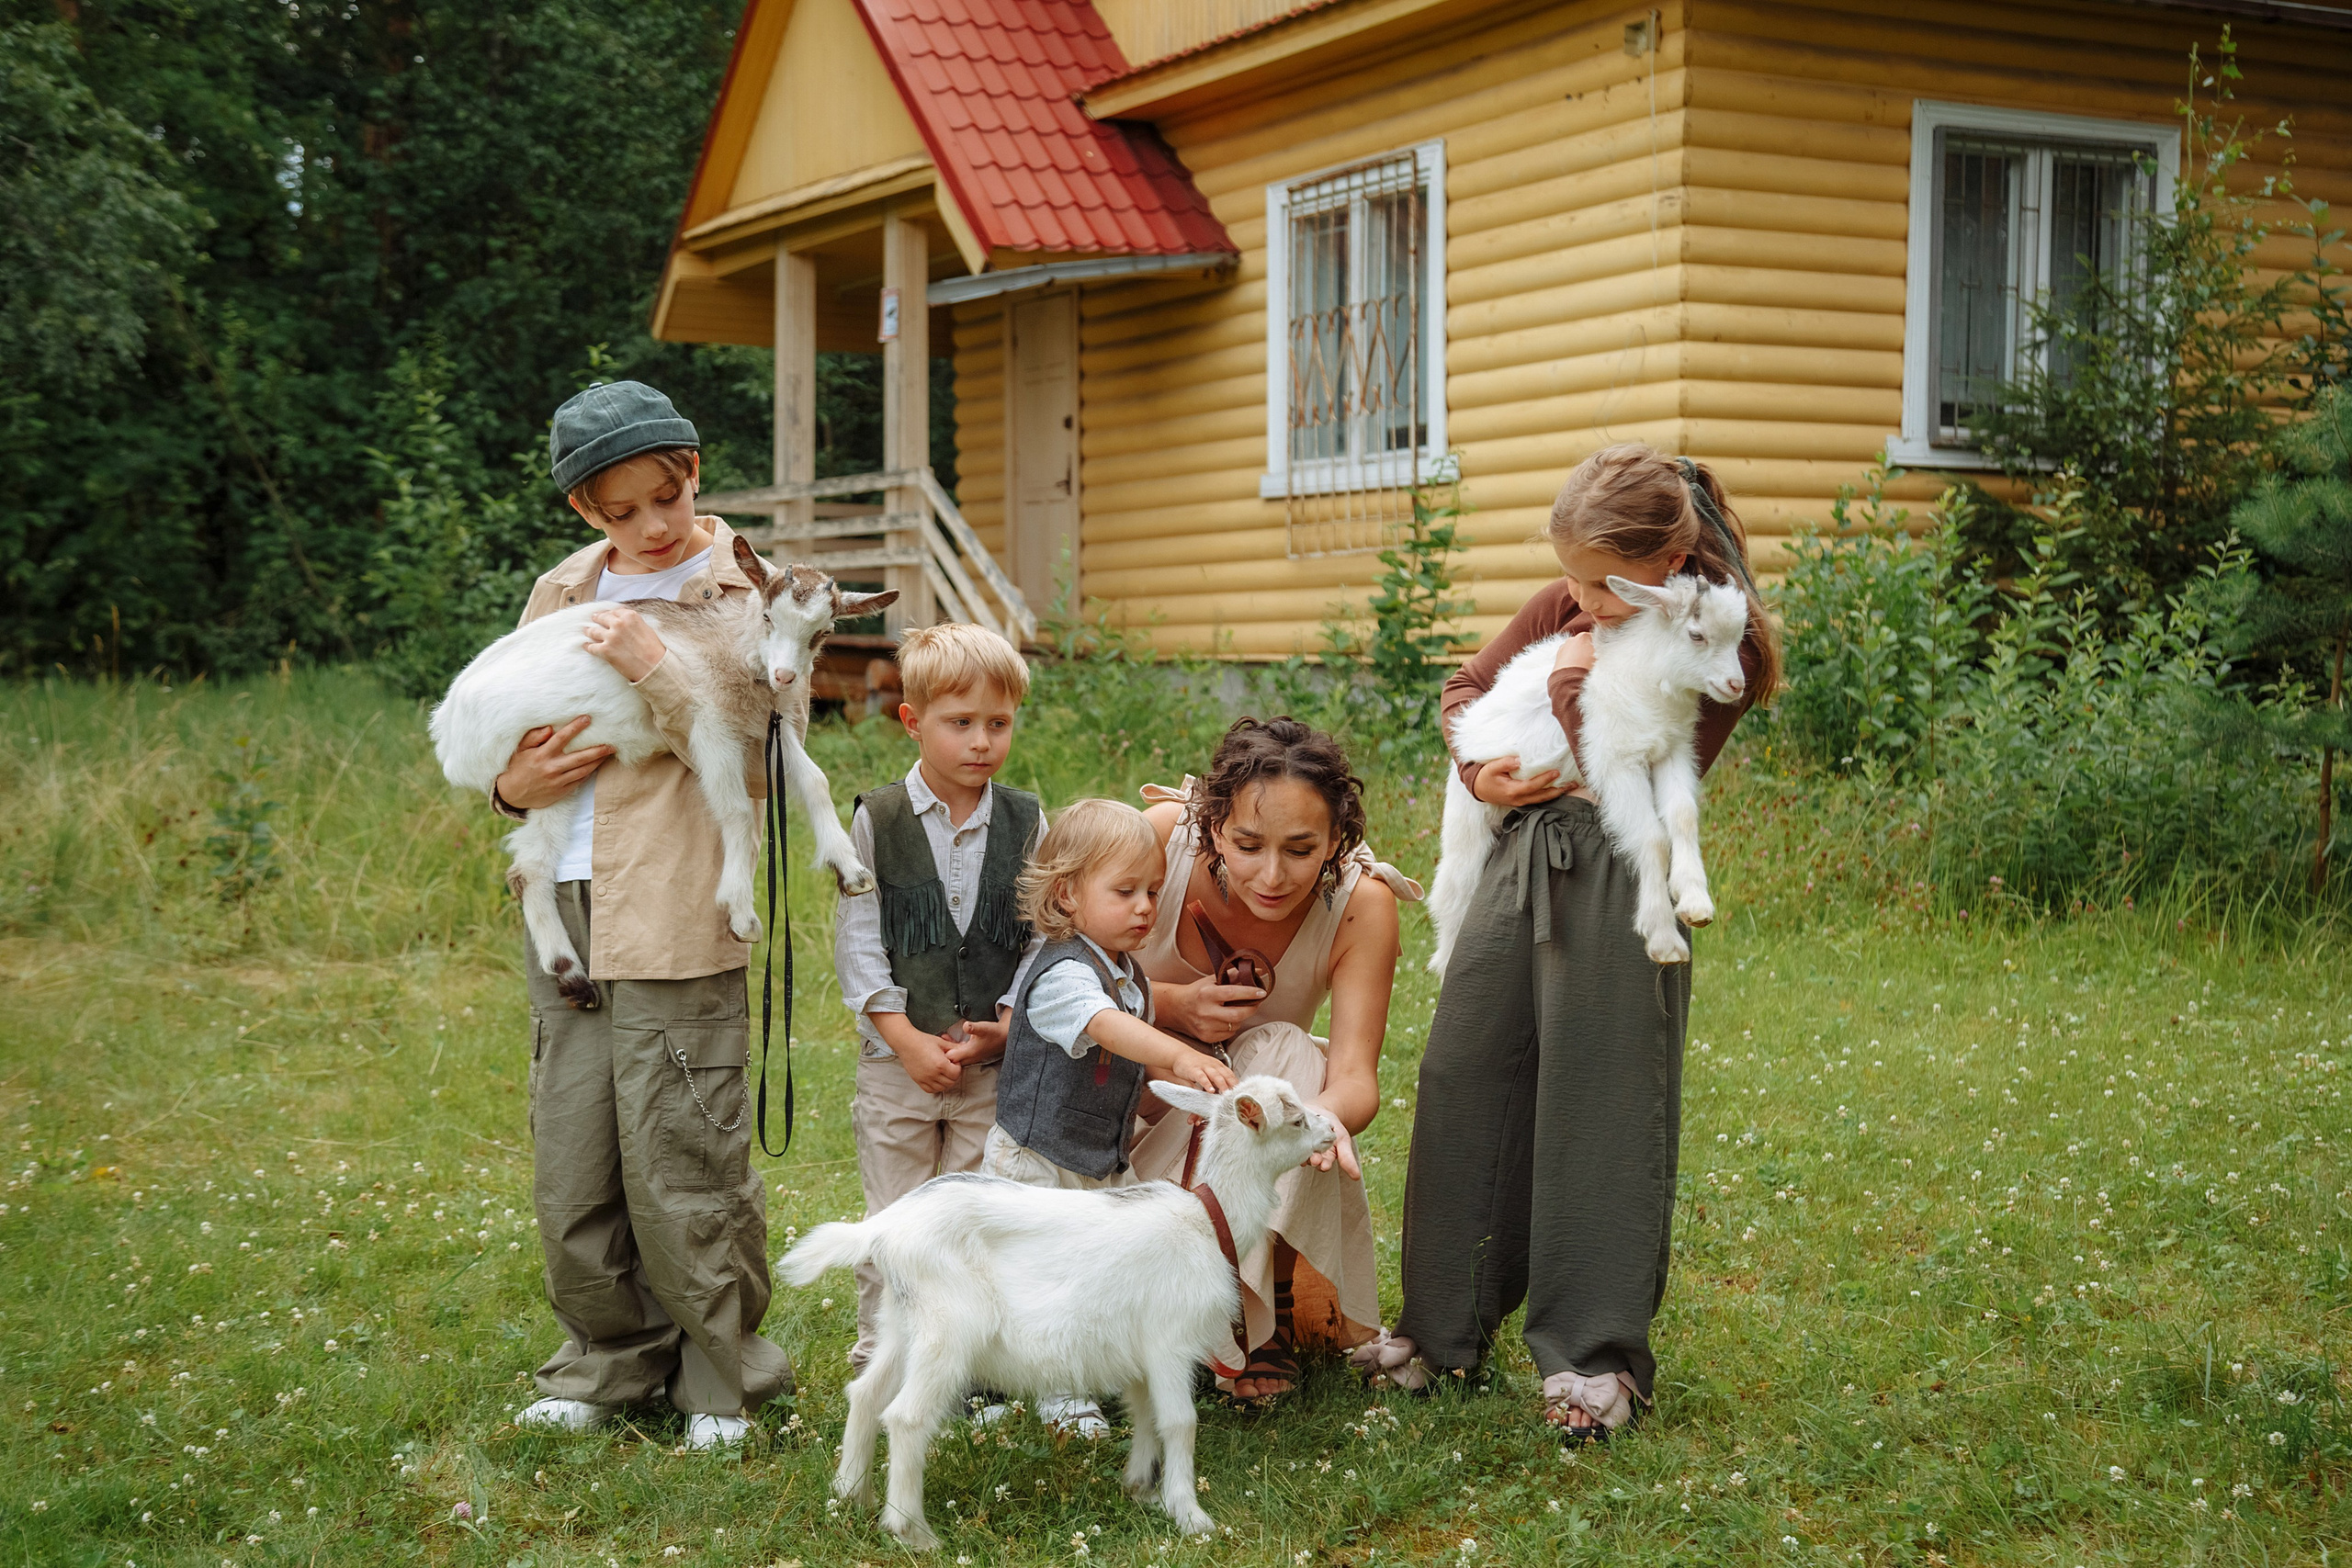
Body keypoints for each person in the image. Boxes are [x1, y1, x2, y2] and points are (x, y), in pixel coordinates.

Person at [1362, 442, 1778, 1444]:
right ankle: (1440, 1328)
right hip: (1517, 851)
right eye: (1571, 580)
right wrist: (1479, 777)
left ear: (1660, 565)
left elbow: (1615, 765)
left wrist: (1574, 676)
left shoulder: (1724, 639)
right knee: (1468, 1071)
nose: (1575, 602)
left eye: (1598, 586)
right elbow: (1466, 688)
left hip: (1619, 869)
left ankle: (1593, 1359)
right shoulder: (1573, 600)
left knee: (1601, 1100)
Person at [486, 380, 794, 1449]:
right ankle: (605, 1366)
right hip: (560, 905)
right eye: (623, 513)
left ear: (695, 469)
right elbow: (507, 721)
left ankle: (721, 1377)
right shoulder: (560, 588)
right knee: (574, 1153)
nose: (654, 526)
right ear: (586, 515)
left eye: (667, 496)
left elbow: (764, 746)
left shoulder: (744, 588)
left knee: (682, 1151)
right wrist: (508, 789)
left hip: (675, 897)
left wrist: (655, 664)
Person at [1126, 718, 1422, 1402]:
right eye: (1247, 844)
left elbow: (1353, 1080)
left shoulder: (1362, 905)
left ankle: (1257, 1319)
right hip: (1131, 1108)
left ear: (1337, 840)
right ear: (1210, 823)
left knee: (1288, 1054)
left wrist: (1312, 1124)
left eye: (1300, 849)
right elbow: (1058, 983)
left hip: (1242, 1135)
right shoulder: (1157, 838)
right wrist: (1173, 1005)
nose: (1271, 874)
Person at [988, 798, 1238, 1435]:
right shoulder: (1064, 972)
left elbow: (1122, 1064)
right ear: (1067, 895)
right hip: (1038, 1157)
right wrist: (1179, 1053)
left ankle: (1075, 1374)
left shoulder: (1127, 973)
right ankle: (1054, 1392)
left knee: (1096, 1268)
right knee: (1042, 1273)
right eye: (1124, 890)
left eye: (1153, 890)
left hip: (1097, 1155)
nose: (1145, 906)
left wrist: (1173, 1094)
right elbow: (1106, 1029)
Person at [832, 622, 1041, 1372]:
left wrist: (1007, 1026)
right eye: (960, 723)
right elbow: (858, 940)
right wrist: (904, 1037)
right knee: (897, 1218)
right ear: (913, 722)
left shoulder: (1026, 821)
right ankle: (880, 1355)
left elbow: (1041, 939)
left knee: (976, 1216)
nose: (981, 741)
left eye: (998, 723)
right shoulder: (876, 819)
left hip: (987, 1067)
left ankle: (970, 1361)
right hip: (897, 1067)